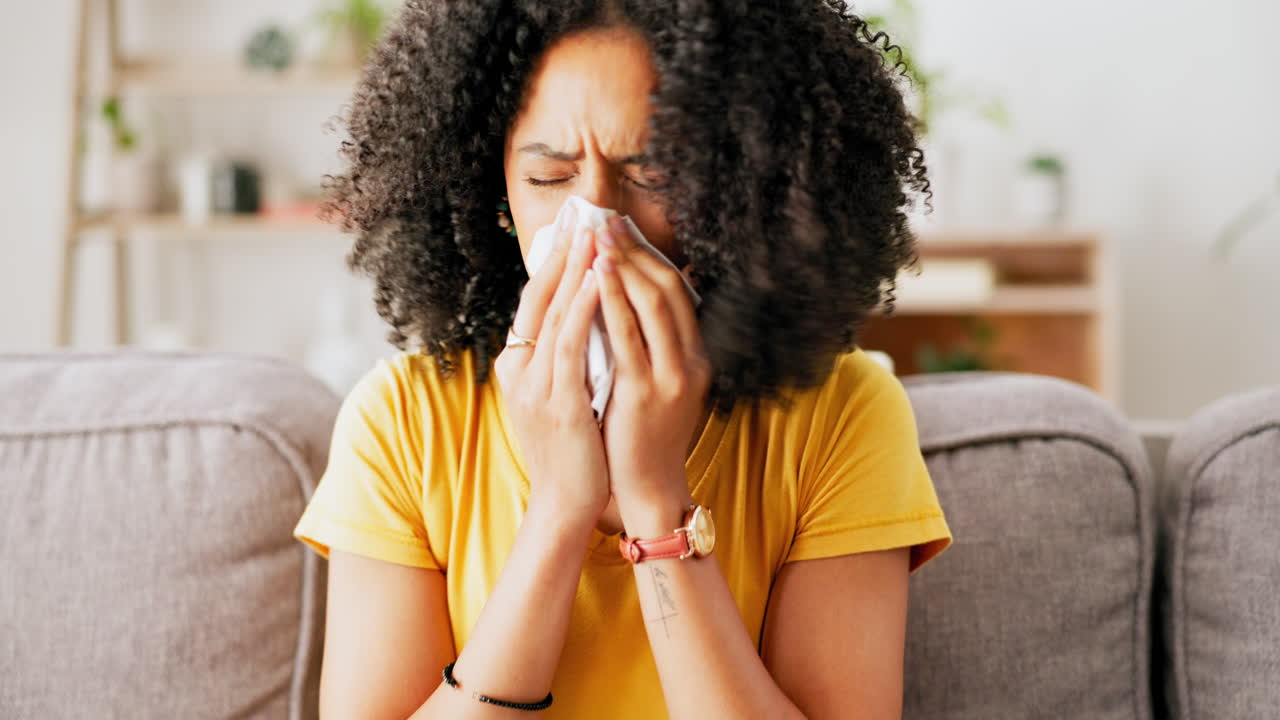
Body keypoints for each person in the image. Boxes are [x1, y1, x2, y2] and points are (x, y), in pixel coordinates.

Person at [293, 0, 952, 717]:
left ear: (741, 194)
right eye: (550, 179)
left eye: (655, 175)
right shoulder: (404, 422)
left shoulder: (842, 415)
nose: (596, 225)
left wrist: (654, 499)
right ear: (498, 199)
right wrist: (559, 511)